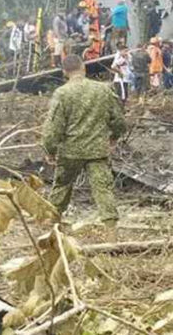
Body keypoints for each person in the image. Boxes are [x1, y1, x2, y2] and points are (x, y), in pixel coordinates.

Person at [42, 54, 126, 223]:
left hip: (70, 151)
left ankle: (51, 223)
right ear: (84, 68)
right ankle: (111, 228)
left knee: (61, 187)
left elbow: (53, 127)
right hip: (97, 150)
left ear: (64, 72)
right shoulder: (103, 89)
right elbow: (118, 119)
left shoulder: (62, 93)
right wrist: (114, 138)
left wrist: (49, 150)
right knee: (103, 189)